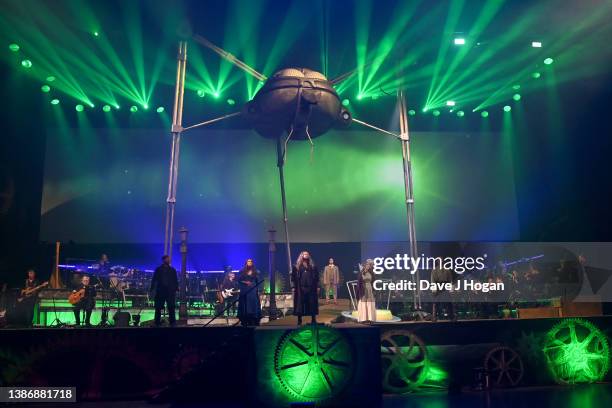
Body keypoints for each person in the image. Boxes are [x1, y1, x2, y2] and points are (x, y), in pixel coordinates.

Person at [291, 251, 319, 325]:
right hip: (300, 288)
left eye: (307, 254)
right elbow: (293, 277)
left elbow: (316, 276)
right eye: (304, 254)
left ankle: (313, 319)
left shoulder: (312, 266)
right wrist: (293, 287)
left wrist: (317, 286)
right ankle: (299, 320)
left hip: (311, 288)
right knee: (300, 304)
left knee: (311, 303)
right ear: (301, 255)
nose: (306, 255)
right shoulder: (297, 266)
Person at [151, 255, 178, 327]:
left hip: (170, 291)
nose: (168, 260)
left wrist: (176, 288)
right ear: (163, 260)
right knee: (158, 307)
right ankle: (157, 322)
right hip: (161, 291)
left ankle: (172, 322)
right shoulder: (158, 269)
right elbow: (154, 279)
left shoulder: (172, 270)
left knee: (171, 307)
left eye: (169, 259)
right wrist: (152, 288)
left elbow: (175, 280)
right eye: (167, 259)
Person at [237, 259, 262, 326]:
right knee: (245, 304)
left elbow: (258, 281)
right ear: (246, 263)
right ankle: (245, 318)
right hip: (245, 289)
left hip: (253, 289)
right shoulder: (242, 271)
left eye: (251, 261)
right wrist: (245, 282)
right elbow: (238, 280)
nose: (249, 262)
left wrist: (258, 290)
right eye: (248, 261)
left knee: (253, 304)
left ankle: (254, 318)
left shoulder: (256, 271)